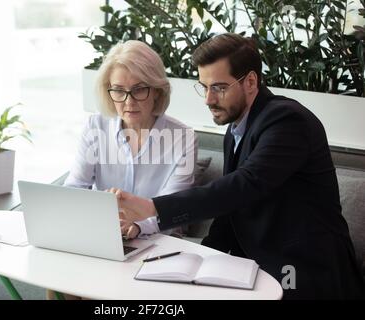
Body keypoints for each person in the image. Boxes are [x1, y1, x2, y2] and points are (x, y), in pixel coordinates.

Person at [112, 33, 365, 299]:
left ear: (251, 82)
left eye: (219, 87)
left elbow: (243, 185)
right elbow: (231, 209)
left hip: (306, 272)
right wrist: (199, 260)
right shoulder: (235, 129)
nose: (208, 99)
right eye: (204, 87)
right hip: (260, 266)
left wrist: (153, 207)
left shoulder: (288, 121)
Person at [64, 40, 197, 239]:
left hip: (160, 242)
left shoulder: (183, 138)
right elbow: (73, 190)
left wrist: (137, 225)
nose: (129, 102)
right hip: (103, 236)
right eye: (118, 90)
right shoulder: (95, 127)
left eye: (139, 89)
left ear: (157, 91)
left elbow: (173, 209)